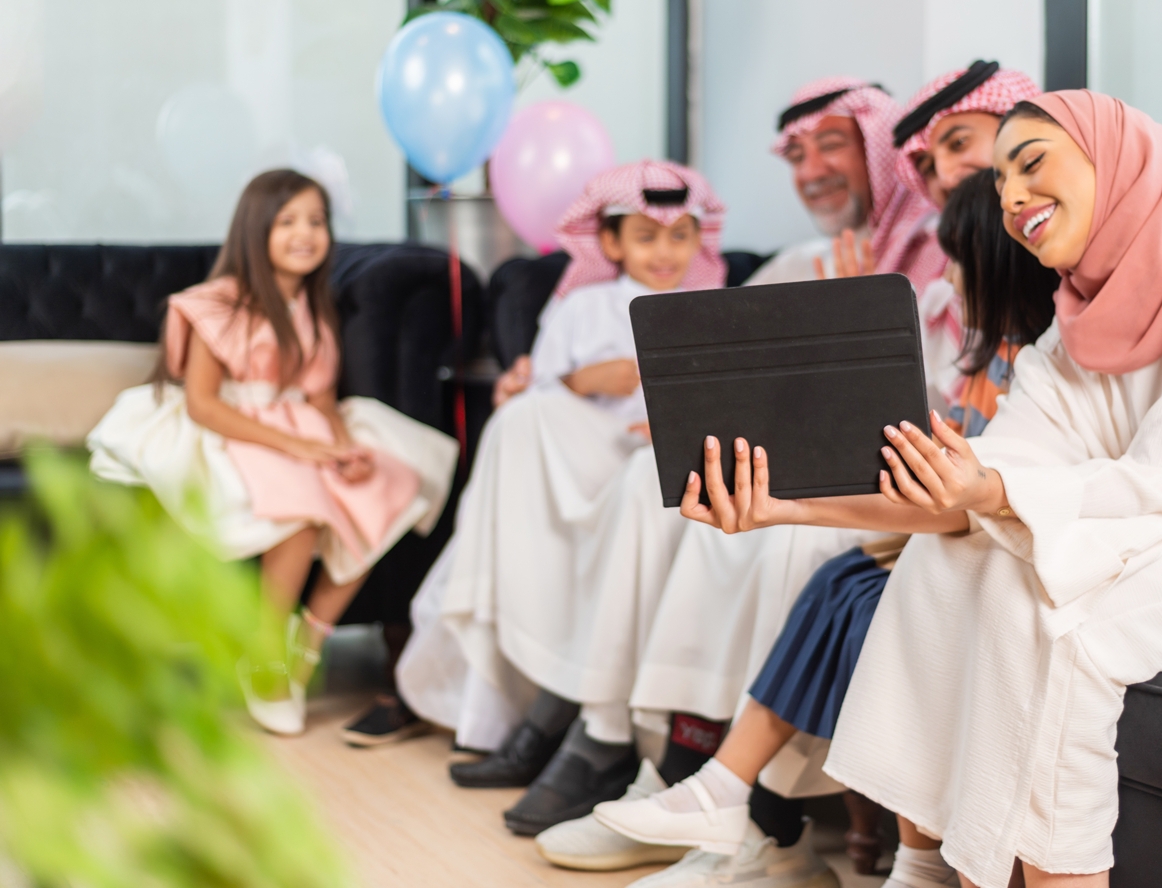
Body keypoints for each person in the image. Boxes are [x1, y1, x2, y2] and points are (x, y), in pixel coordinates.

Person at [666, 91, 1162, 887]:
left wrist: (996, 492)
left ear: (1114, 163)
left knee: (1074, 626)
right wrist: (783, 507)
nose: (1010, 196)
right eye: (1001, 180)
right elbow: (964, 493)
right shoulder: (1076, 331)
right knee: (948, 563)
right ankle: (929, 867)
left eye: (1032, 163)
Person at [530, 72, 1040, 886]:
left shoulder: (997, 251)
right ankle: (674, 765)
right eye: (931, 156)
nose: (941, 174)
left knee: (796, 548)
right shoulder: (877, 251)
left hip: (934, 493)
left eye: (959, 147)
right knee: (709, 510)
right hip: (905, 477)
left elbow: (948, 420)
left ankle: (762, 816)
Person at [392, 160, 729, 835]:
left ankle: (577, 728)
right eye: (645, 236)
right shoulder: (580, 307)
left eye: (680, 236)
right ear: (609, 244)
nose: (664, 252)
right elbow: (540, 392)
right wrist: (583, 382)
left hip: (657, 464)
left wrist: (668, 420)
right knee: (519, 421)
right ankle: (526, 715)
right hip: (579, 460)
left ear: (700, 241)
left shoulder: (713, 309)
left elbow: (727, 405)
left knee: (645, 482)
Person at [87, 169, 457, 736]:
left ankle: (304, 650)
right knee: (303, 510)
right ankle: (264, 653)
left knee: (379, 488)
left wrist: (339, 448)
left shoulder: (314, 310)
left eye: (316, 221)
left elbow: (322, 398)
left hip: (301, 427)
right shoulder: (219, 304)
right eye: (287, 222)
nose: (305, 233)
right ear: (255, 230)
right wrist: (298, 446)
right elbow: (204, 405)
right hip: (235, 428)